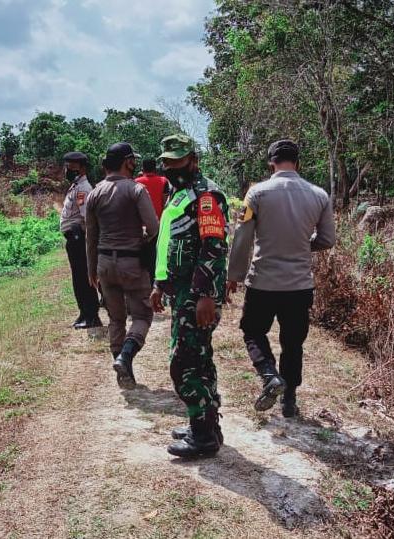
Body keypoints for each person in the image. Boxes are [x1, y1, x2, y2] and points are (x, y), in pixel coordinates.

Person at [227, 140, 336, 417]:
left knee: (253, 331)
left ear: (270, 163)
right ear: (298, 163)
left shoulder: (257, 193)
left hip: (262, 282)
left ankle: (269, 375)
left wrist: (234, 276)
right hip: (299, 285)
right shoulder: (319, 195)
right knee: (293, 342)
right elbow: (326, 239)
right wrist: (300, 243)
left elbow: (243, 237)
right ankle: (289, 399)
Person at [150, 134, 229, 458]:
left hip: (197, 294)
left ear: (192, 159)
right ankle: (207, 425)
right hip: (181, 290)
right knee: (200, 359)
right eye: (166, 160)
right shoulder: (179, 194)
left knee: (183, 362)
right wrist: (160, 284)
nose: (169, 166)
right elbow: (169, 242)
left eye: (176, 160)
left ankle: (202, 436)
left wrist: (204, 295)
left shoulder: (205, 196)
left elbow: (213, 249)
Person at [86, 143, 160, 389]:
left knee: (116, 319)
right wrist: (142, 237)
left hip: (104, 264)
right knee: (142, 315)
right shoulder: (136, 190)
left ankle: (122, 371)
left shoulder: (94, 194)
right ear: (128, 162)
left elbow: (91, 237)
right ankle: (125, 356)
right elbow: (154, 228)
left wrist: (91, 270)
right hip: (132, 263)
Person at [60, 152, 101, 330]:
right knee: (78, 278)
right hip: (73, 238)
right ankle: (84, 313)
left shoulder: (83, 189)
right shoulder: (75, 186)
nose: (68, 170)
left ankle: (92, 316)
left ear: (82, 168)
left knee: (84, 278)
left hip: (79, 238)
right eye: (67, 166)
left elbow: (88, 218)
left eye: (71, 167)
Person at [135, 158, 170, 283]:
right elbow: (166, 203)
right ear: (155, 168)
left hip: (141, 228)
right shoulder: (163, 181)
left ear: (142, 168)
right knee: (158, 258)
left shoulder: (136, 182)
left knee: (143, 259)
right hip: (159, 226)